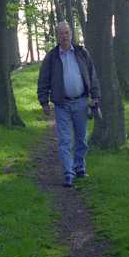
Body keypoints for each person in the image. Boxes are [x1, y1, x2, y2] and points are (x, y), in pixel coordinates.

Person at [37, 21, 100, 187]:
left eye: (66, 33)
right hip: (61, 105)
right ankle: (68, 173)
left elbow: (92, 75)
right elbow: (43, 80)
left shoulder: (81, 53)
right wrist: (44, 101)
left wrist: (95, 96)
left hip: (81, 102)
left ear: (71, 34)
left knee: (81, 139)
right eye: (60, 33)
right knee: (64, 140)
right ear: (56, 36)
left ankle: (79, 167)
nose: (64, 36)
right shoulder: (51, 57)